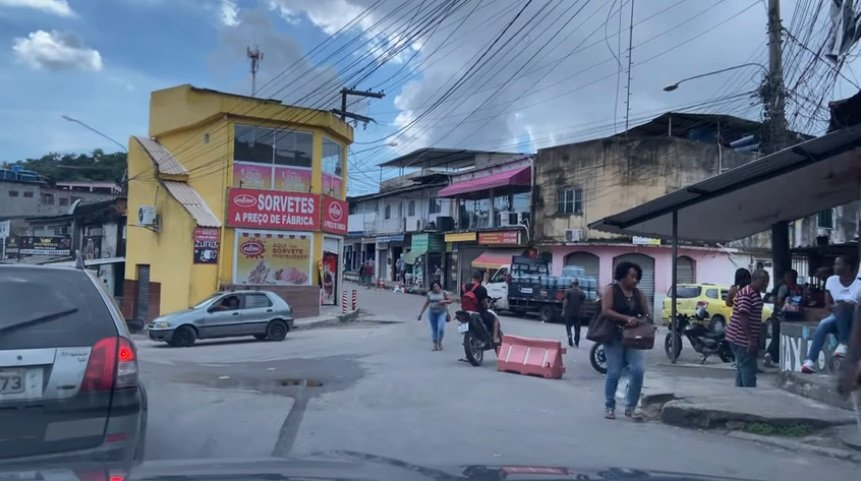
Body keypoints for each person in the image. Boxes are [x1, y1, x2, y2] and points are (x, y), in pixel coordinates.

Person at [600, 261, 649, 421]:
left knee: (638, 370)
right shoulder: (611, 290)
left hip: (634, 338)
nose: (634, 280)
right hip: (613, 336)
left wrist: (641, 321)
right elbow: (606, 311)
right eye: (631, 276)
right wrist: (626, 318)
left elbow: (646, 314)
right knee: (614, 372)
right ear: (622, 276)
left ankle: (631, 408)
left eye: (637, 277)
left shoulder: (639, 294)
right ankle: (609, 406)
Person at [802, 256, 859, 373]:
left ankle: (843, 343)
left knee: (842, 306)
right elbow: (827, 305)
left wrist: (844, 305)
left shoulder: (859, 284)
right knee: (823, 324)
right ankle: (810, 361)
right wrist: (840, 306)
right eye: (834, 264)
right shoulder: (831, 281)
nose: (834, 267)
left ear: (848, 267)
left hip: (855, 318)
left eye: (838, 264)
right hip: (837, 315)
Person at [725, 269, 769, 388]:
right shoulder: (747, 293)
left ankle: (741, 395)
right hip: (741, 338)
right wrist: (750, 340)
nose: (766, 284)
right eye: (763, 281)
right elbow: (743, 317)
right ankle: (749, 396)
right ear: (754, 280)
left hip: (741, 338)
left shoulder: (754, 293)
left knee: (742, 367)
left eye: (767, 282)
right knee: (748, 369)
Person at [765, 269, 804, 366]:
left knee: (780, 337)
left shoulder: (797, 288)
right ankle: (772, 358)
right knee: (777, 337)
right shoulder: (783, 287)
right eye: (789, 277)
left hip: (791, 316)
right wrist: (788, 304)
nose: (791, 279)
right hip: (780, 316)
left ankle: (769, 355)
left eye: (793, 277)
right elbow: (779, 301)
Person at [462, 271, 500, 345]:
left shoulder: (463, 288)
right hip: (479, 312)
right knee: (495, 320)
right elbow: (484, 304)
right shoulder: (481, 289)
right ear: (480, 279)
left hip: (465, 312)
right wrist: (488, 306)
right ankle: (495, 339)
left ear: (472, 277)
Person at [418, 281, 452, 351]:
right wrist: (421, 313)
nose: (436, 288)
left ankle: (440, 342)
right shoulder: (430, 294)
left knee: (440, 328)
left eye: (437, 286)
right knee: (434, 329)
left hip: (442, 312)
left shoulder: (444, 293)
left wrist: (444, 301)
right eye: (434, 286)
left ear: (440, 286)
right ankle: (435, 344)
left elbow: (451, 300)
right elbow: (426, 304)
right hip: (432, 313)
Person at [562, 278, 586, 348]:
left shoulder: (568, 291)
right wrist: (583, 311)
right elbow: (583, 304)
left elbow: (565, 301)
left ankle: (570, 338)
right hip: (578, 313)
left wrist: (563, 310)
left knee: (568, 327)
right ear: (578, 284)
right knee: (577, 328)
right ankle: (577, 342)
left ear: (572, 284)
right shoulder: (582, 292)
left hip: (569, 313)